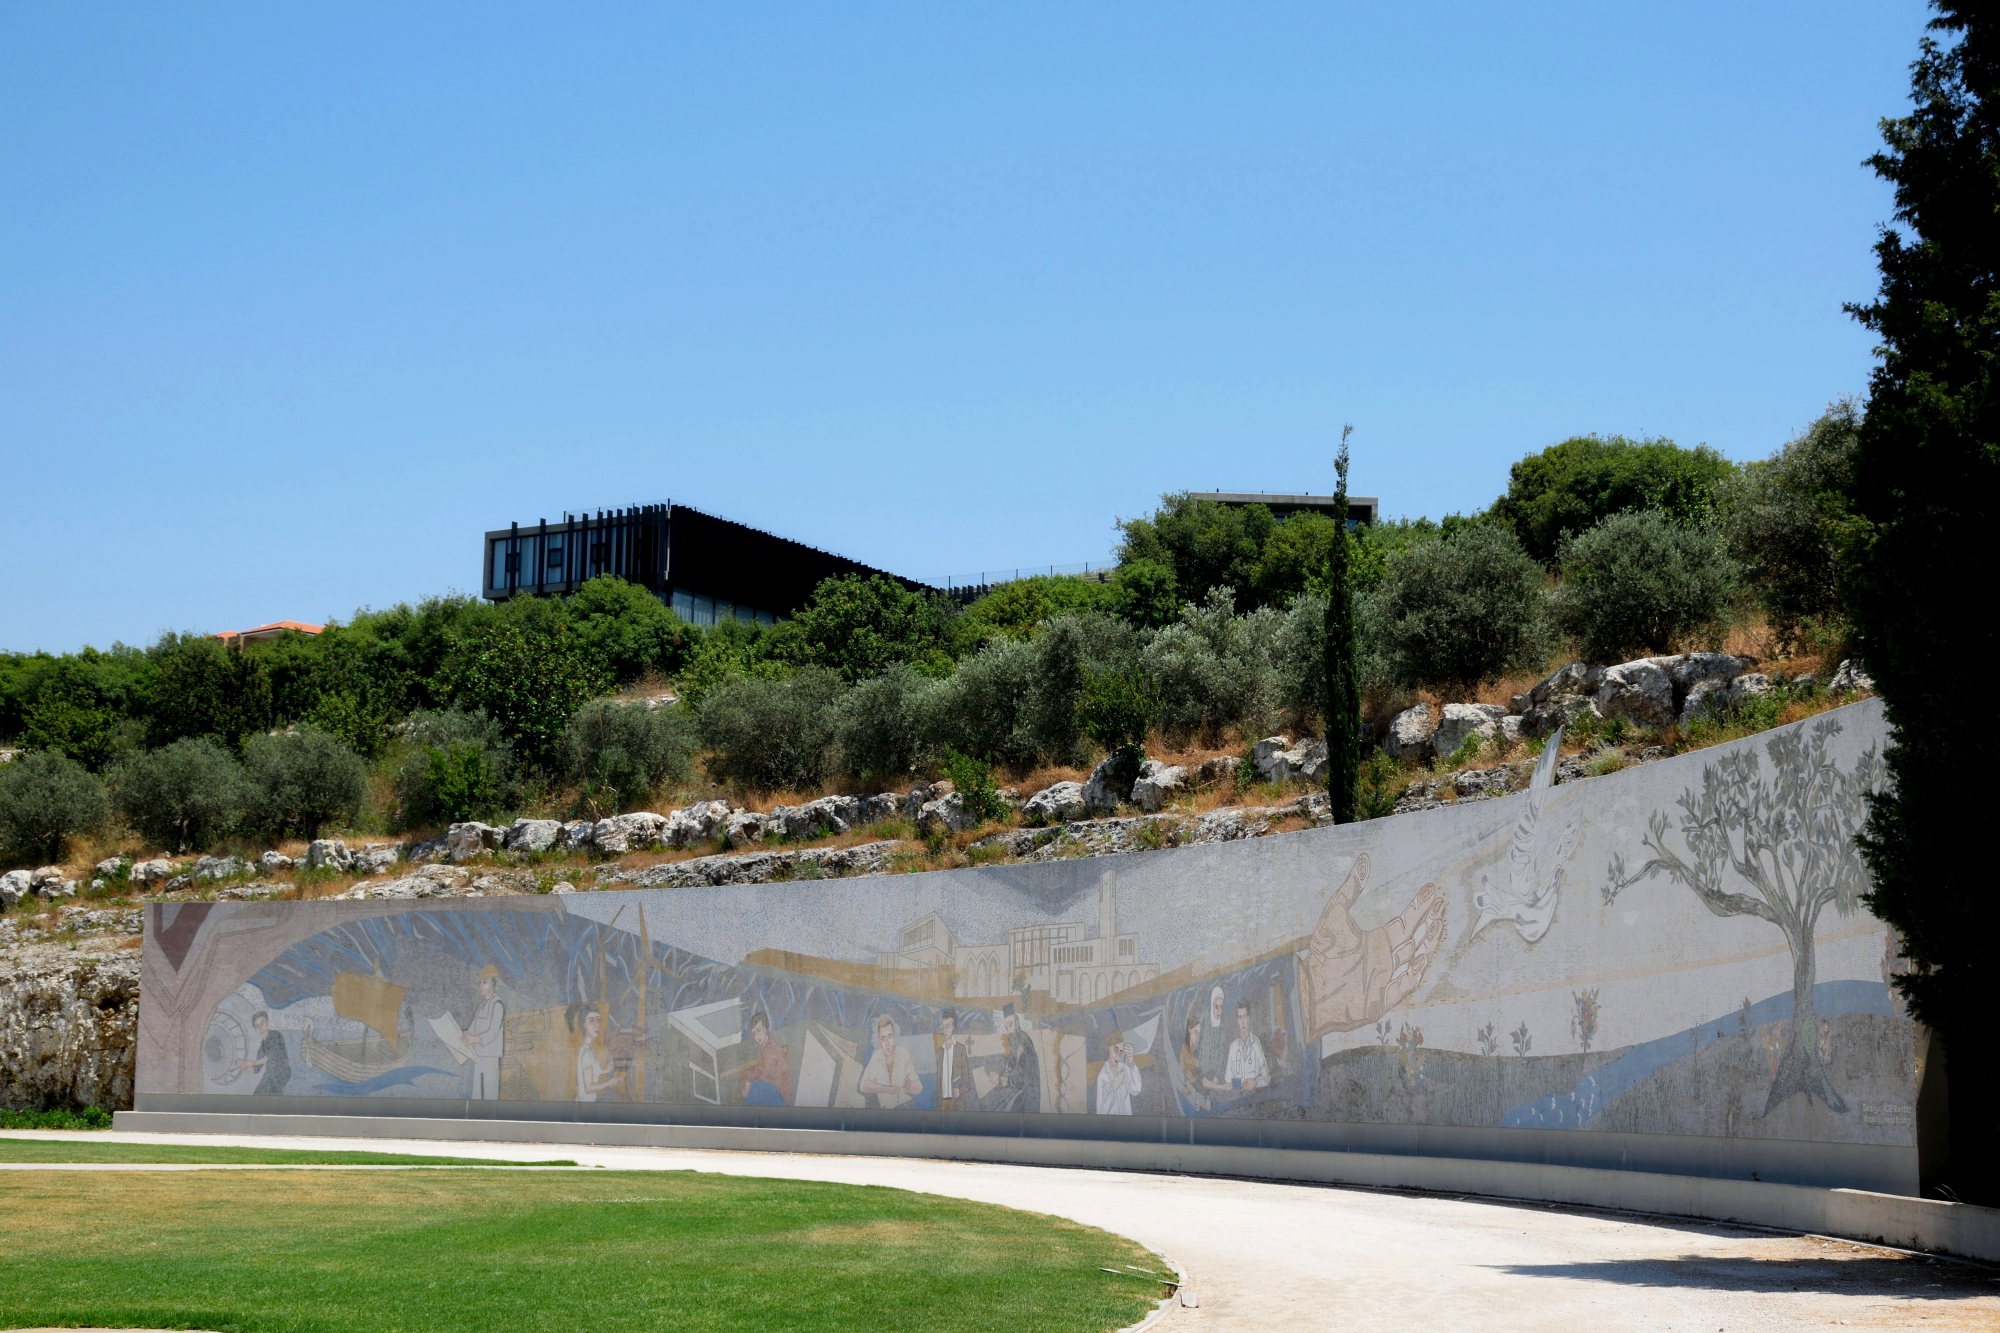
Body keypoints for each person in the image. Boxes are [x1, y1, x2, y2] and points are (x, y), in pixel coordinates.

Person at [982, 1004, 1041, 1114]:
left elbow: (1021, 1078)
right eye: (1006, 1028)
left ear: (1017, 1022)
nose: (1009, 1031)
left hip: (1030, 1095)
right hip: (1023, 1092)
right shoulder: (1016, 1040)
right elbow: (1012, 1059)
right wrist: (1004, 1072)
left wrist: (1001, 1079)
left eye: (1011, 1024)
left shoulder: (1024, 1042)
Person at [858, 1014, 921, 1109]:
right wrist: (887, 1089)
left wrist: (912, 1087)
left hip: (904, 1108)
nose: (887, 1043)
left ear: (894, 1036)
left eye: (890, 1036)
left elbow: (918, 1087)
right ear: (879, 1040)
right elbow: (863, 1086)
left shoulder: (904, 1054)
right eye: (883, 1038)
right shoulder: (876, 1056)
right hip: (885, 1110)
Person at [736, 1009, 794, 1107]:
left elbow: (764, 1072)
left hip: (781, 1096)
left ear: (765, 1028)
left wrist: (748, 1081)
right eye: (754, 1033)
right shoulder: (768, 1044)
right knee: (755, 1086)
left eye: (758, 1030)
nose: (756, 1036)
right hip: (777, 1089)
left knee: (756, 1087)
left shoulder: (769, 1047)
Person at [465, 964, 505, 1100]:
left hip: (490, 1058)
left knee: (489, 1095)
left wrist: (473, 1039)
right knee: (477, 1095)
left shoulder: (497, 1004)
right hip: (478, 1056)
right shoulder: (481, 1006)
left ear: (493, 983)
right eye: (480, 982)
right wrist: (463, 1036)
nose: (481, 986)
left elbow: (492, 1032)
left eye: (485, 982)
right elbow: (472, 1029)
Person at [571, 1005, 623, 1102]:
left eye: (598, 1020)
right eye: (591, 1020)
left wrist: (606, 1070)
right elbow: (589, 1088)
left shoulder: (589, 1047)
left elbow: (592, 1072)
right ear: (583, 1024)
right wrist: (608, 1083)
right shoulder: (586, 1052)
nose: (596, 1024)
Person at [236, 1011, 291, 1095]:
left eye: (262, 1023)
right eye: (257, 1026)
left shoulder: (276, 1035)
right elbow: (255, 1069)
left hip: (282, 1071)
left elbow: (270, 1056)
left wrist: (252, 1062)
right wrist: (242, 1066)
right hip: (270, 1074)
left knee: (268, 1087)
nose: (261, 1028)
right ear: (255, 1029)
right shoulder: (262, 1046)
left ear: (267, 1022)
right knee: (258, 1094)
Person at [1223, 1003, 1271, 1094]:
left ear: (1248, 1018)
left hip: (1256, 1096)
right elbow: (1227, 1080)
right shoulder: (1233, 1047)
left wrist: (1255, 1082)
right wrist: (1237, 1084)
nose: (1243, 1021)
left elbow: (1267, 1077)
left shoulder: (1256, 1043)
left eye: (1244, 1016)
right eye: (1240, 1017)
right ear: (1237, 1020)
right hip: (1237, 1098)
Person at [933, 1009, 972, 1111]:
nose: (945, 1030)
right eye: (943, 1026)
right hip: (942, 1104)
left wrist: (960, 1091)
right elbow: (938, 1081)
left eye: (948, 1026)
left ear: (953, 1027)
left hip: (957, 1104)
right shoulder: (939, 1051)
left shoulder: (961, 1049)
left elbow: (967, 1083)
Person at [1095, 1029, 1141, 1115]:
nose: (1118, 1056)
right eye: (1115, 1050)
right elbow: (1100, 1112)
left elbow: (1136, 1090)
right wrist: (1113, 1087)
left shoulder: (1125, 1069)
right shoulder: (1102, 1077)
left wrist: (1131, 1060)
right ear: (1109, 1048)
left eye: (1121, 1052)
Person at [1197, 985, 1231, 1088]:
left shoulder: (1222, 1028)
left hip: (1214, 1076)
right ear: (1212, 1005)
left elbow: (1222, 1053)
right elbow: (1196, 1043)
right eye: (1216, 1006)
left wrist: (1216, 1077)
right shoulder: (1204, 1019)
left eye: (1221, 1007)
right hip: (1201, 1074)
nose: (1219, 1010)